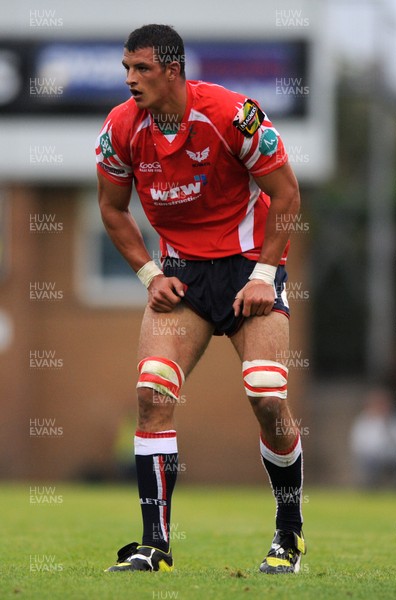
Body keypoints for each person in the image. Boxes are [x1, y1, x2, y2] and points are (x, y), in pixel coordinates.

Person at [96, 24, 306, 575]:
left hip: (247, 272)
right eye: (126, 69)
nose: (130, 80)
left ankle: (289, 533)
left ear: (172, 69)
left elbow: (286, 193)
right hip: (182, 277)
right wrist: (148, 273)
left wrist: (264, 274)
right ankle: (154, 546)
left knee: (265, 394)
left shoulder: (233, 114)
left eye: (141, 69)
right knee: (152, 389)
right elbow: (114, 210)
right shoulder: (121, 128)